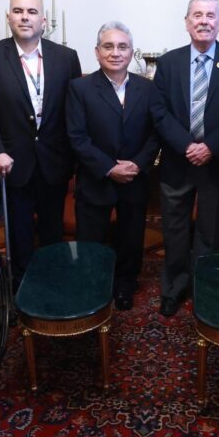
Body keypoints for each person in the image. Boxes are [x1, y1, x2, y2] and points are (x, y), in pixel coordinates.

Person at [151, 0, 219, 317]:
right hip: (177, 160)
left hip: (217, 161)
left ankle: (205, 290)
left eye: (211, 15)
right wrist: (187, 145)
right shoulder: (168, 63)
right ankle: (174, 288)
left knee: (210, 233)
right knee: (175, 230)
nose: (204, 21)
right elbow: (158, 111)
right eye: (197, 15)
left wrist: (210, 146)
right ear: (187, 22)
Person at [0, 0, 82, 281]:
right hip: (10, 162)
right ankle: (22, 287)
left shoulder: (66, 58)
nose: (24, 17)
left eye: (31, 12)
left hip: (54, 161)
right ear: (9, 18)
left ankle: (53, 284)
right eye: (18, 11)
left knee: (53, 231)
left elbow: (76, 110)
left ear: (43, 20)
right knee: (18, 233)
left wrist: (75, 157)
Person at [66, 21, 160, 311]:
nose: (115, 52)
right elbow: (77, 137)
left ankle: (125, 285)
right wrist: (109, 168)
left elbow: (156, 133)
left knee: (131, 240)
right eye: (108, 46)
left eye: (122, 47)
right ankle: (94, 287)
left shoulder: (148, 88)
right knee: (91, 240)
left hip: (134, 179)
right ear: (97, 52)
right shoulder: (80, 88)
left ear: (132, 52)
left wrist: (137, 164)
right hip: (96, 179)